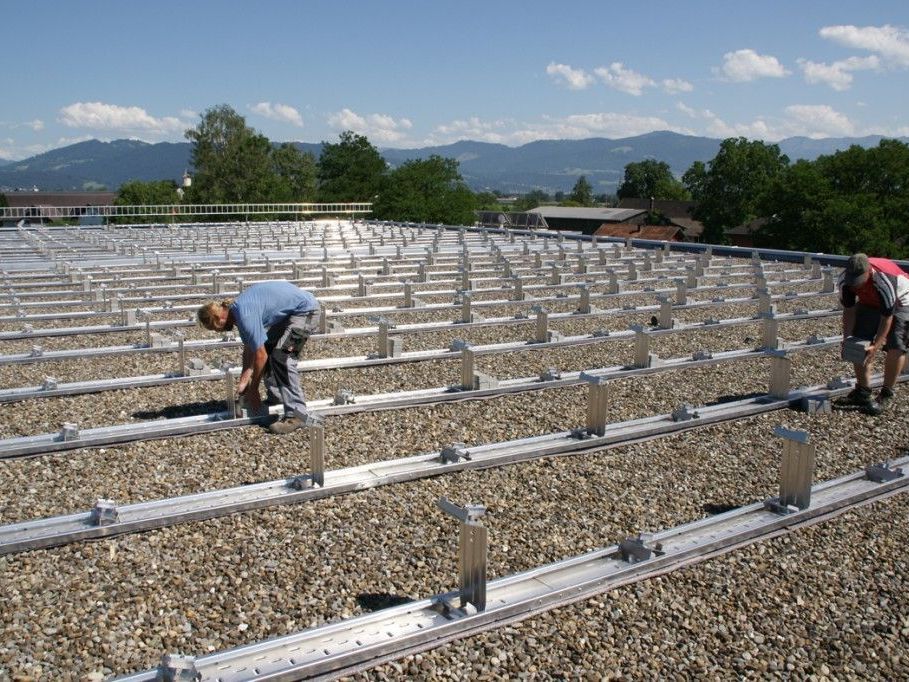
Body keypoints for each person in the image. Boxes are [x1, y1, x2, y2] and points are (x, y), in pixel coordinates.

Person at [197, 281, 321, 434]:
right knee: (268, 347)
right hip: (289, 314)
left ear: (218, 319)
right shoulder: (238, 311)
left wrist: (254, 389)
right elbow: (251, 349)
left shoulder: (244, 315)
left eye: (215, 329)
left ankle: (296, 414)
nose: (218, 332)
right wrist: (244, 380)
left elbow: (260, 356)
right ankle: (277, 396)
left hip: (306, 311)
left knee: (282, 358)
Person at [838, 253, 909, 415]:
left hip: (901, 301)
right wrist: (847, 338)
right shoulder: (844, 281)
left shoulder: (884, 280)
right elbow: (849, 311)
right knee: (857, 341)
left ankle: (887, 393)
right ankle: (863, 391)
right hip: (869, 302)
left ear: (869, 272)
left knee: (897, 344)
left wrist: (876, 346)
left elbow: (887, 318)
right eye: (853, 283)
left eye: (859, 282)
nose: (855, 287)